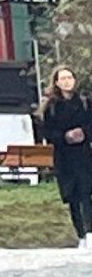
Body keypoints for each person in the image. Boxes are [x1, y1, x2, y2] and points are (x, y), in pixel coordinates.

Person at [36, 66, 92, 249]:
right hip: (64, 157)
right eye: (63, 78)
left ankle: (90, 232)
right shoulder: (51, 107)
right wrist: (64, 136)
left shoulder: (85, 102)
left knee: (86, 193)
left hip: (84, 155)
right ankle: (81, 235)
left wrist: (83, 133)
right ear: (57, 83)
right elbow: (47, 132)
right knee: (72, 197)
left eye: (70, 77)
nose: (67, 81)